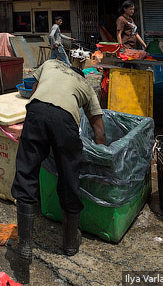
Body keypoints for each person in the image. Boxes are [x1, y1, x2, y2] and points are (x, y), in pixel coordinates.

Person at [12, 60, 106, 260]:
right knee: (69, 177)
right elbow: (98, 129)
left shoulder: (50, 64)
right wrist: (103, 154)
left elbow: (35, 93)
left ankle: (25, 243)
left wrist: (35, 128)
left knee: (26, 171)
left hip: (36, 112)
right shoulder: (86, 87)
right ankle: (70, 244)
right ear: (80, 75)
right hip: (65, 121)